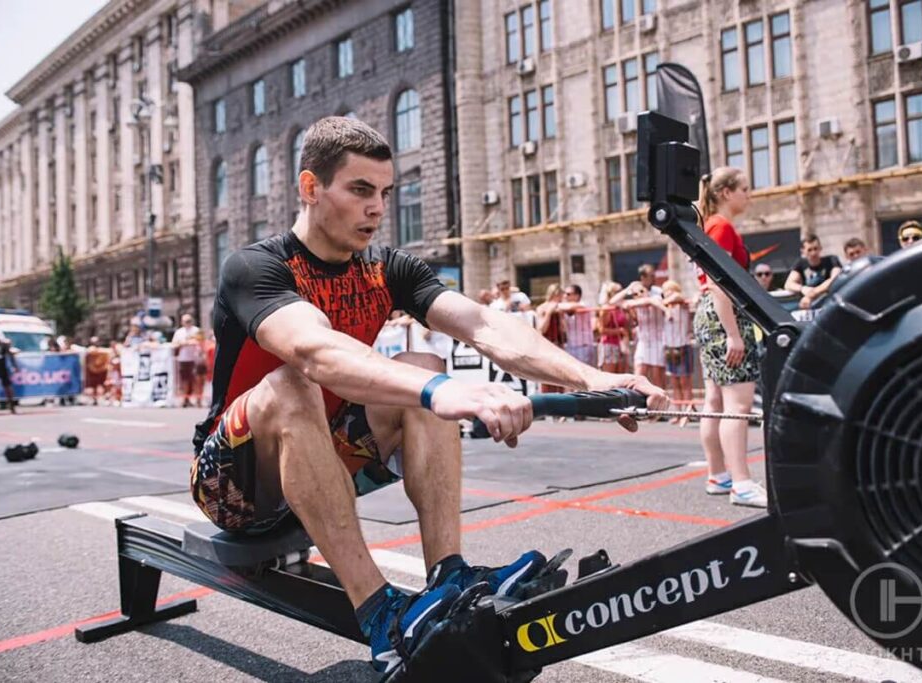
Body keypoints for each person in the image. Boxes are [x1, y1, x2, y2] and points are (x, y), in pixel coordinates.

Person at [189, 116, 669, 674]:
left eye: (385, 193)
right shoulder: (256, 267)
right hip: (234, 486)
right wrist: (441, 392)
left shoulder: (387, 269)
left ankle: (449, 574)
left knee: (422, 362)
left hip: (325, 455)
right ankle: (380, 615)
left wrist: (593, 380)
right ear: (311, 188)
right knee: (300, 384)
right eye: (360, 190)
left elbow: (485, 325)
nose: (377, 207)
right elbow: (315, 352)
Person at [693, 167, 767, 508]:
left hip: (712, 314)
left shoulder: (711, 225)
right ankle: (740, 482)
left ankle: (719, 474)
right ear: (726, 193)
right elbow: (717, 280)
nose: (749, 195)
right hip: (723, 315)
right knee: (737, 404)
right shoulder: (720, 226)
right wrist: (734, 334)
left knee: (716, 401)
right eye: (745, 189)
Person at [661, 280, 694, 423]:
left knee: (685, 381)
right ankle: (679, 413)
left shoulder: (682, 304)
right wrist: (665, 305)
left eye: (669, 290)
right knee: (674, 381)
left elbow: (678, 298)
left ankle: (687, 412)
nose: (667, 293)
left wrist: (670, 298)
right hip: (669, 347)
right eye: (665, 290)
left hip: (683, 345)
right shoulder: (662, 307)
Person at [783, 234, 842, 310]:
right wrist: (803, 289)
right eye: (809, 250)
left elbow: (835, 279)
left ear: (820, 248)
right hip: (809, 307)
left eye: (815, 249)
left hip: (829, 304)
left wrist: (811, 294)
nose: (813, 253)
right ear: (803, 251)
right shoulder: (801, 264)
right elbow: (788, 284)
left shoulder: (831, 260)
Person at [535, 284, 567, 394]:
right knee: (547, 378)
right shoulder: (541, 308)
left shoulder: (559, 309)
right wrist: (548, 313)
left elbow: (563, 329)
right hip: (546, 347)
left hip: (558, 346)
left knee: (561, 377)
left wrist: (561, 316)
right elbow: (542, 329)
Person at [558, 284, 596, 367]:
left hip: (583, 347)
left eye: (568, 294)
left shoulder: (584, 304)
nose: (565, 296)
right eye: (564, 293)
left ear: (577, 296)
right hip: (571, 346)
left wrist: (553, 306)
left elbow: (569, 306)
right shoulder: (565, 307)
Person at [597, 283, 630, 374]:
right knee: (610, 377)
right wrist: (620, 331)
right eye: (618, 291)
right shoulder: (606, 309)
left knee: (622, 377)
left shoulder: (621, 308)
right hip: (609, 345)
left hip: (621, 345)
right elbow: (601, 330)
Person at [172, 314, 203, 408]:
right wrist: (183, 343)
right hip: (183, 359)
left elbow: (201, 341)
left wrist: (190, 342)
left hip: (195, 358)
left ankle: (198, 400)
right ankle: (186, 399)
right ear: (182, 322)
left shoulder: (197, 330)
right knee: (185, 380)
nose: (187, 323)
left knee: (196, 380)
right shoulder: (179, 332)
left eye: (189, 320)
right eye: (185, 321)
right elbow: (174, 344)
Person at [84, 337, 111, 406]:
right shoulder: (89, 350)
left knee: (101, 386)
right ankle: (93, 399)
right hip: (91, 371)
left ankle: (101, 399)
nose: (95, 343)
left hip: (101, 371)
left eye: (96, 342)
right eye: (93, 342)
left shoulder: (103, 351)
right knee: (92, 387)